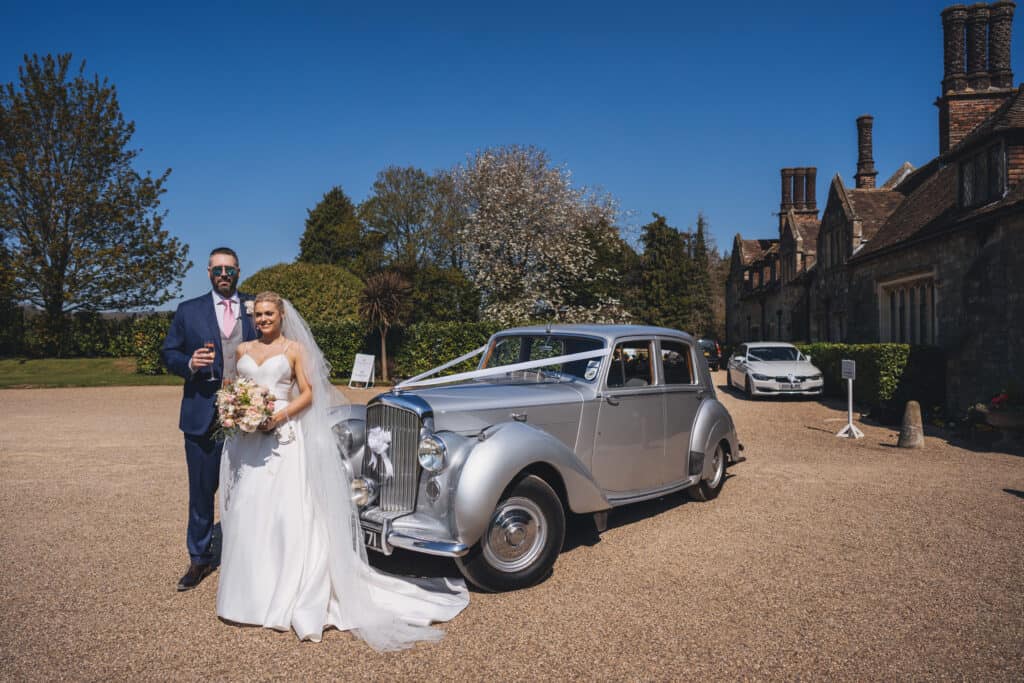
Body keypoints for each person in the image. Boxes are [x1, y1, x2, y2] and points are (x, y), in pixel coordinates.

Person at [216, 292, 468, 648]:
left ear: (281, 315)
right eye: (258, 314)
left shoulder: (293, 350)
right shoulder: (243, 350)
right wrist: (236, 410)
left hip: (283, 438)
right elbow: (235, 387)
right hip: (248, 441)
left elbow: (308, 394)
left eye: (269, 313)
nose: (262, 320)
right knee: (247, 509)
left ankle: (287, 591)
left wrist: (277, 416)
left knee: (285, 513)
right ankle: (249, 592)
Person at [160, 247, 259, 591]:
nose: (224, 275)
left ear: (239, 272)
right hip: (202, 413)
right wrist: (189, 363)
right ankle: (199, 560)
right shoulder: (189, 311)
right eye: (218, 269)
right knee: (202, 491)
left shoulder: (255, 308)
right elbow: (168, 352)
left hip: (249, 413)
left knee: (249, 488)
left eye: (229, 269)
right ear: (208, 273)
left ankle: (247, 556)